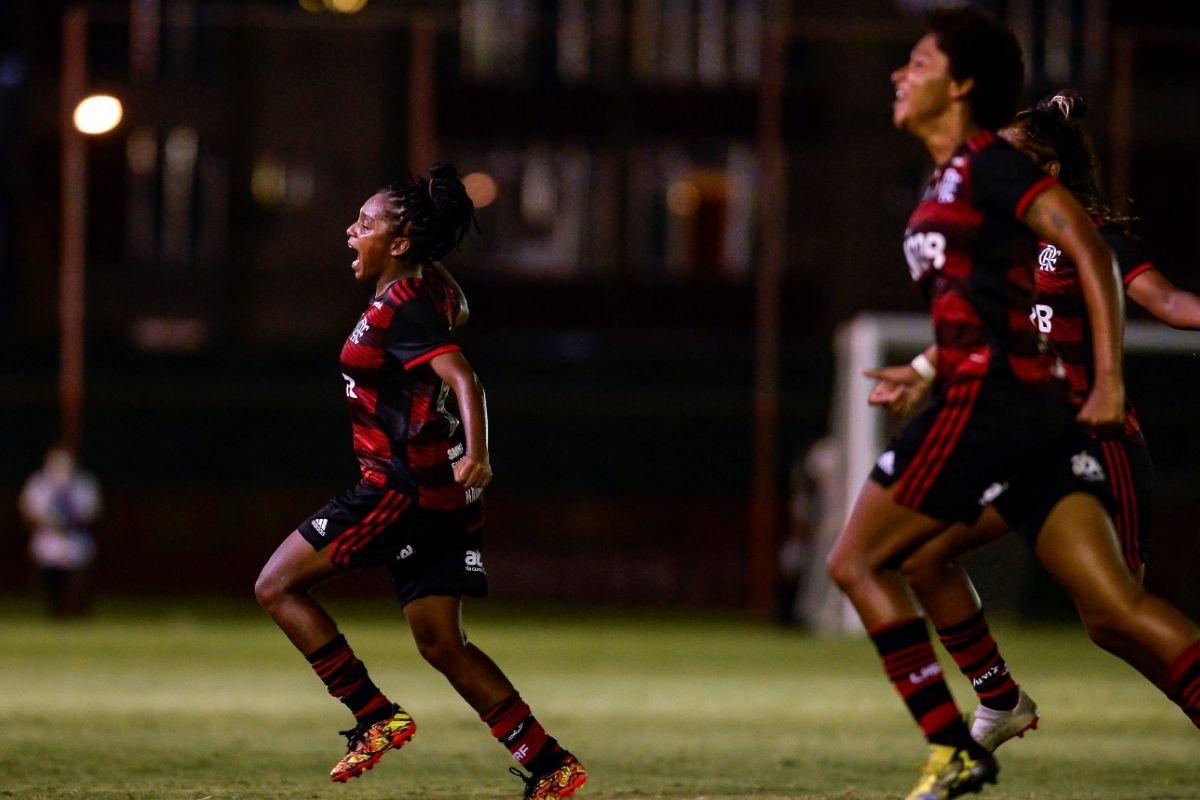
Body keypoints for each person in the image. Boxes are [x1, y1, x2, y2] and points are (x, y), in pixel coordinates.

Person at [823, 8, 1135, 800]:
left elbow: (1100, 254)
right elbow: (988, 308)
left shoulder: (992, 170)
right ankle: (995, 702)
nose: (900, 74)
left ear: (960, 85)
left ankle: (958, 741)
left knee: (858, 559)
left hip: (1012, 406)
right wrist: (929, 361)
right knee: (1109, 613)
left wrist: (1109, 379)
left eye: (918, 62)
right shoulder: (958, 182)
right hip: (1001, 398)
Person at [869, 90, 1200, 748]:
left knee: (1115, 618)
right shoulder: (1012, 248)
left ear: (1046, 174)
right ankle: (1000, 698)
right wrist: (924, 369)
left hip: (1095, 449)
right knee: (919, 552)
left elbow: (1165, 300)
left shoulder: (1090, 237)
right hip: (1030, 448)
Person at [254, 163, 587, 800]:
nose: (351, 231)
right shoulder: (424, 291)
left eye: (366, 223)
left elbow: (464, 378)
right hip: (441, 498)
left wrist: (479, 453)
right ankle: (550, 764)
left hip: (400, 489)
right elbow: (457, 305)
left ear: (399, 243)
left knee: (276, 585)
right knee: (442, 642)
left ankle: (373, 715)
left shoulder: (403, 308)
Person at [19, 444, 102, 617]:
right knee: (52, 579)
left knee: (77, 577)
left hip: (75, 538)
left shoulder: (83, 483)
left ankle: (77, 611)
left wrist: (71, 521)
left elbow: (91, 512)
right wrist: (49, 521)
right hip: (49, 538)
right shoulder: (39, 483)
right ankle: (54, 611)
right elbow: (28, 511)